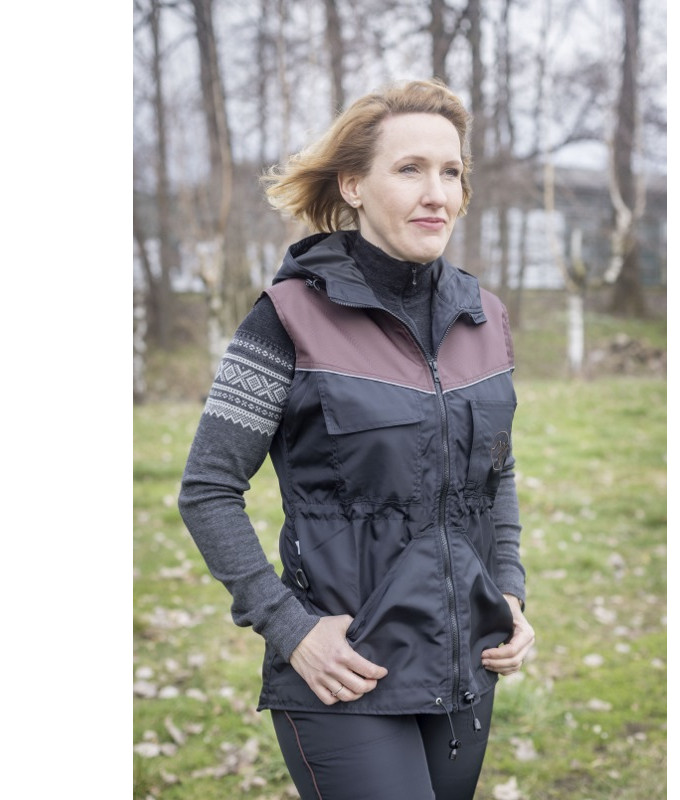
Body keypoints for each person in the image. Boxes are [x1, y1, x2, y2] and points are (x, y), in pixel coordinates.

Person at [178, 78, 535, 800]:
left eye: (451, 172)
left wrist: (509, 591)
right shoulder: (286, 318)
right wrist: (288, 626)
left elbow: (494, 472)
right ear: (353, 185)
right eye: (409, 169)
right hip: (344, 673)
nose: (436, 193)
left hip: (466, 662)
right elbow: (208, 489)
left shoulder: (485, 317)